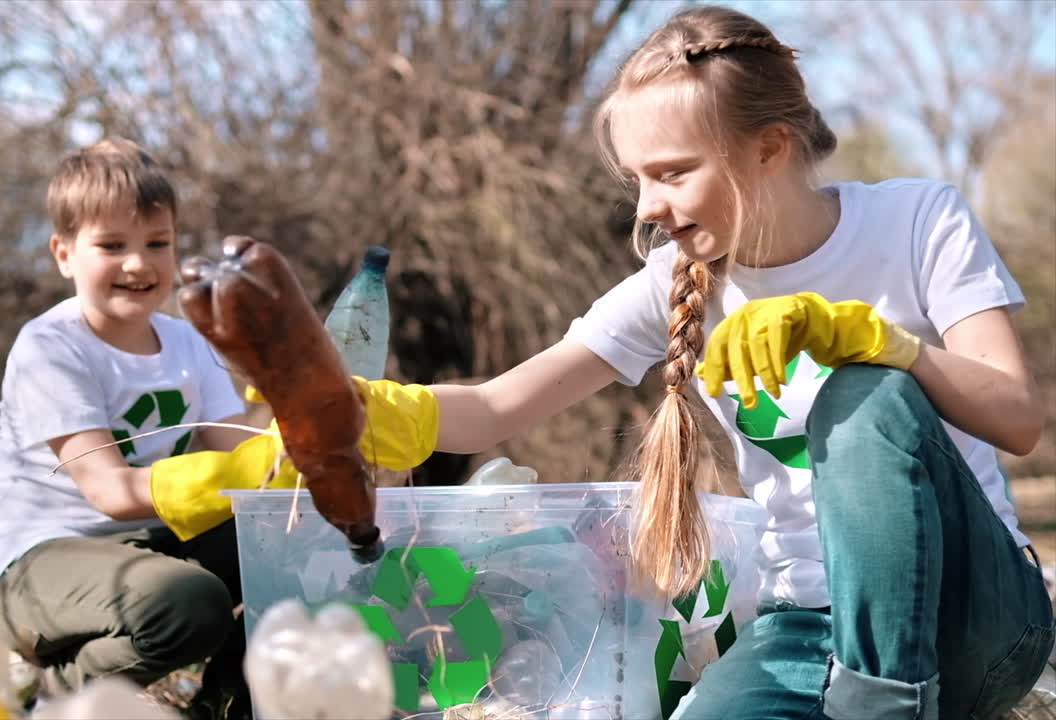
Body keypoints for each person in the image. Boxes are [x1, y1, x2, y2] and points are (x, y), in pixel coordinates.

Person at [354, 6, 1053, 718]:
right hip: (808, 627)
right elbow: (500, 407)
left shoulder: (916, 220)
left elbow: (1018, 418)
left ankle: (883, 704)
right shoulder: (673, 282)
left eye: (673, 173)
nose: (650, 206)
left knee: (864, 392)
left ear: (770, 147)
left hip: (972, 610)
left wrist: (887, 344)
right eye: (639, 179)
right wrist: (364, 408)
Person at [0, 137, 296, 713]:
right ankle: (49, 695)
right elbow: (111, 491)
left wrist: (307, 444)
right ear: (64, 253)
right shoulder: (51, 347)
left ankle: (224, 698)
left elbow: (247, 462)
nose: (138, 263)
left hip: (144, 548)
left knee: (295, 545)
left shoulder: (190, 342)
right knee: (191, 604)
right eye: (112, 245)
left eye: (156, 243)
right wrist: (234, 474)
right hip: (35, 557)